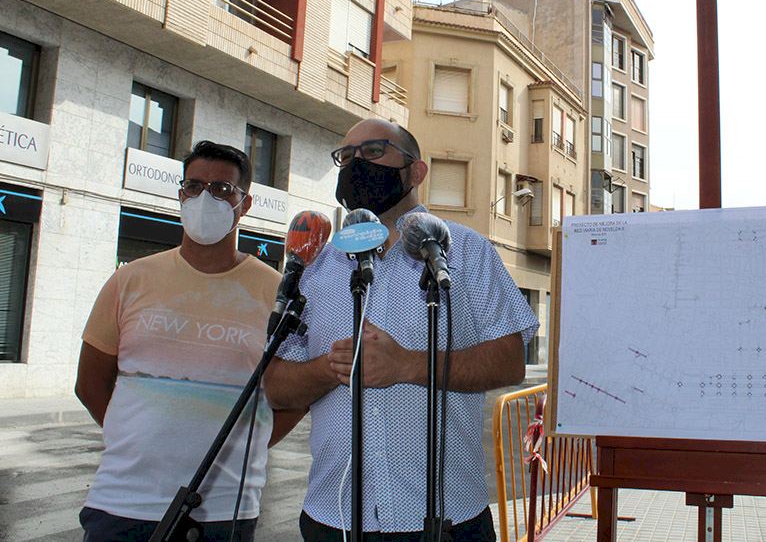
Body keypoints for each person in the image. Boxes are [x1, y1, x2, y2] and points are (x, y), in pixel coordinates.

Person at [264, 119, 538, 541]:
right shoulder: (316, 267)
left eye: (373, 151)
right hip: (333, 518)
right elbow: (276, 387)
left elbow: (510, 361)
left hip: (448, 518)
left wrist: (407, 365)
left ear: (416, 171)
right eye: (346, 157)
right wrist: (333, 367)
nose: (357, 164)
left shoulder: (467, 251)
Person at [75, 140, 306, 541]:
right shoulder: (129, 280)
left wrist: (245, 448)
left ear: (245, 204)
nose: (205, 198)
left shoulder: (277, 294)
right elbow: (90, 384)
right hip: (121, 502)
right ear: (181, 195)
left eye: (222, 189)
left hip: (223, 511)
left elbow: (297, 397)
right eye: (194, 186)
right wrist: (133, 442)